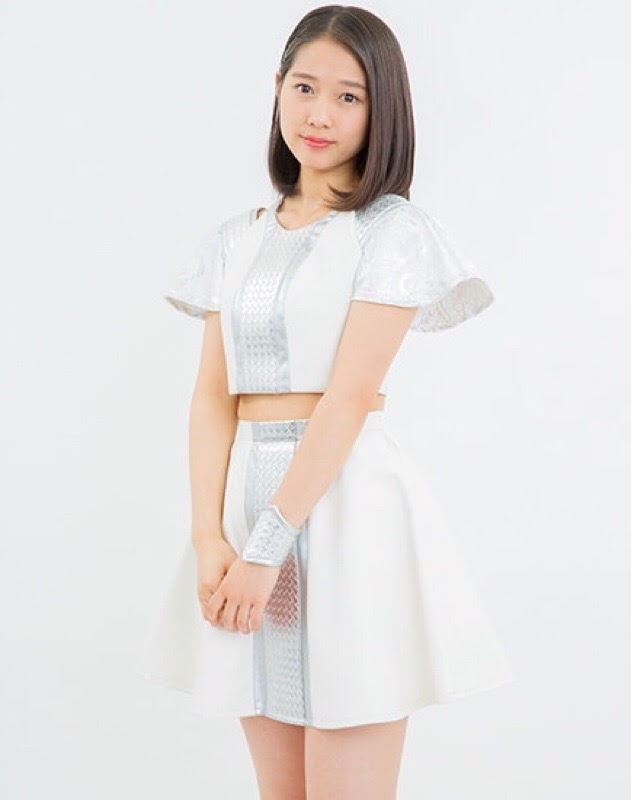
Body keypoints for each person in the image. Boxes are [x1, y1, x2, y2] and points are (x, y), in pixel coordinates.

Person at [136, 5, 514, 798]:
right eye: (305, 88)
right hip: (240, 518)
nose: (319, 114)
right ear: (277, 88)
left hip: (346, 514)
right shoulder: (237, 237)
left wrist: (266, 551)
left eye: (349, 96)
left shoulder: (389, 232)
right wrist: (210, 538)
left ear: (382, 109)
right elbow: (211, 397)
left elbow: (348, 398)